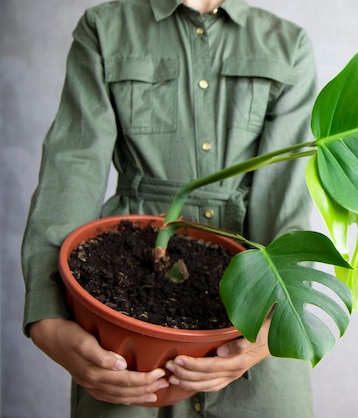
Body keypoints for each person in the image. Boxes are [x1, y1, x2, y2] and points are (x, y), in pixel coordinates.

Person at [21, 0, 317, 416]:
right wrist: (48, 318)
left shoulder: (287, 45)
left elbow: (285, 196)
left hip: (254, 321)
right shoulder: (105, 28)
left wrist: (275, 323)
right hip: (124, 303)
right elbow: (73, 166)